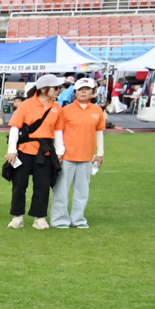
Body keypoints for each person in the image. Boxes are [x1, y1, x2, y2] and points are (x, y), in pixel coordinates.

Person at [45, 77, 106, 229]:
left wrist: (100, 153)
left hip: (87, 156)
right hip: (67, 156)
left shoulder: (97, 110)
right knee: (61, 191)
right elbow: (58, 132)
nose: (83, 92)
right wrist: (59, 152)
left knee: (82, 191)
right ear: (75, 91)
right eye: (80, 89)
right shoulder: (65, 110)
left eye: (87, 89)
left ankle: (78, 219)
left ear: (92, 92)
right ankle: (59, 219)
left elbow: (99, 132)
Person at [5, 77, 60, 229]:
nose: (58, 90)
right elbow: (15, 127)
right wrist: (12, 150)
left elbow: (58, 130)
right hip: (24, 150)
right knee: (19, 184)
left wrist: (60, 152)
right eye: (55, 88)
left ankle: (40, 217)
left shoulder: (57, 107)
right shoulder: (26, 104)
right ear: (44, 89)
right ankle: (17, 217)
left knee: (43, 185)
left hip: (45, 151)